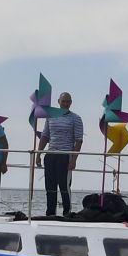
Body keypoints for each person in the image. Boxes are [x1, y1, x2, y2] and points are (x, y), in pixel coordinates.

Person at [41, 91, 83, 219]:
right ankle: (50, 212)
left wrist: (74, 159)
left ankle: (67, 212)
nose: (65, 103)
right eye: (63, 101)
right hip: (50, 154)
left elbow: (79, 140)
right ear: (58, 101)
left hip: (65, 155)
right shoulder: (50, 116)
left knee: (64, 186)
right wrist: (38, 153)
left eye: (68, 101)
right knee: (50, 186)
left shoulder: (76, 118)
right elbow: (45, 135)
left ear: (71, 103)